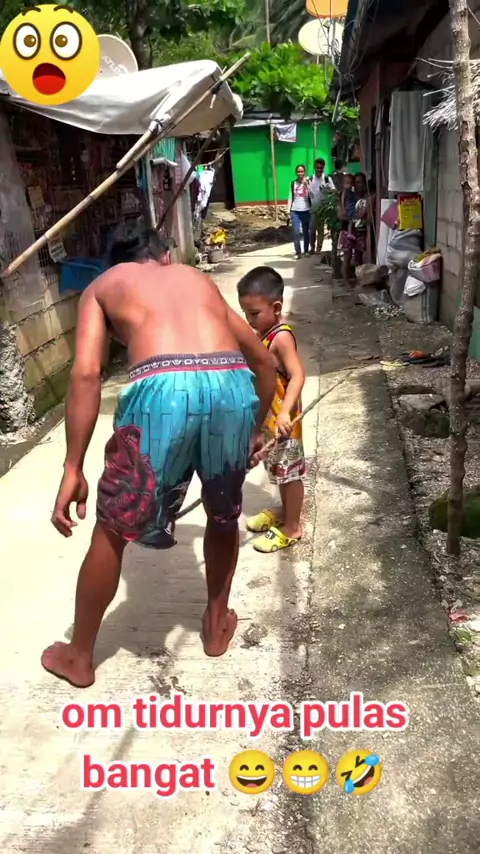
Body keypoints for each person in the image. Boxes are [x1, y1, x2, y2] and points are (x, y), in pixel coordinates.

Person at [42, 225, 277, 687]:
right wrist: (254, 431)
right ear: (164, 256)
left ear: (118, 264)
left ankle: (80, 656)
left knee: (113, 530)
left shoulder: (103, 286)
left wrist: (73, 467)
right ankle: (216, 626)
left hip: (161, 390)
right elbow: (265, 364)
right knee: (223, 516)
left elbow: (87, 375)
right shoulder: (195, 278)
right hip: (231, 385)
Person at [237, 266, 306, 553]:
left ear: (276, 308)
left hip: (283, 421)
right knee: (277, 469)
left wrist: (285, 413)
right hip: (269, 420)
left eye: (254, 313)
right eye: (245, 313)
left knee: (290, 473)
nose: (249, 320)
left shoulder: (281, 337)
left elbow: (298, 375)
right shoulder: (263, 335)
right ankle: (284, 511)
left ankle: (292, 527)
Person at [308, 158, 335, 254]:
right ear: (314, 167)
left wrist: (327, 190)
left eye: (321, 168)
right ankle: (312, 247)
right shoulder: (309, 179)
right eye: (318, 167)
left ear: (324, 168)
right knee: (312, 230)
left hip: (323, 209)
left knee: (320, 230)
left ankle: (318, 249)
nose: (319, 169)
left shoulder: (327, 179)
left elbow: (333, 191)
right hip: (313, 208)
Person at [338, 173, 360, 288]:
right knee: (347, 258)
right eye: (347, 183)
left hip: (354, 229)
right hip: (346, 231)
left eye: (351, 183)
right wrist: (344, 210)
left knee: (355, 257)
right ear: (343, 184)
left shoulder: (353, 194)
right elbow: (341, 214)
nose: (349, 185)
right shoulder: (344, 194)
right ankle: (346, 281)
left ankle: (355, 280)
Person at [287, 164, 311, 259]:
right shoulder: (293, 183)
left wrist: (307, 185)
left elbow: (312, 195)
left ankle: (306, 251)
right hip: (295, 211)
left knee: (306, 232)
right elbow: (290, 197)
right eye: (298, 171)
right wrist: (288, 210)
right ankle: (298, 252)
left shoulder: (308, 182)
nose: (300, 173)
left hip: (306, 210)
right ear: (296, 172)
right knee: (296, 233)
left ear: (305, 172)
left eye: (302, 171)